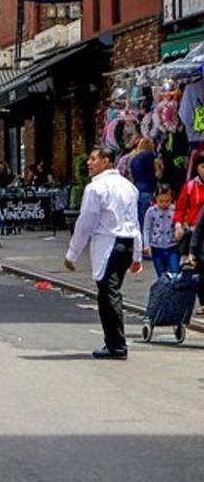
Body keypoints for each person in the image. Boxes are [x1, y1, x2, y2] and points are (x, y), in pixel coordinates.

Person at [65, 147, 142, 360]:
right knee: (112, 292)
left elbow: (86, 222)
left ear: (106, 161)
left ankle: (116, 345)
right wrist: (136, 253)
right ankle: (114, 342)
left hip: (109, 244)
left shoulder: (96, 188)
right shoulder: (129, 187)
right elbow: (134, 221)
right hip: (126, 243)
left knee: (108, 295)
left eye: (93, 159)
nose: (89, 163)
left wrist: (72, 253)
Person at [143, 185, 179, 277]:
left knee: (174, 272)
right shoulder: (151, 211)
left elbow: (178, 224)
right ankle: (163, 290)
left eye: (167, 201)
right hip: (156, 246)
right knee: (161, 274)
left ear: (171, 198)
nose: (164, 204)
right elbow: (146, 228)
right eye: (161, 201)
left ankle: (173, 290)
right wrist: (147, 245)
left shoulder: (175, 210)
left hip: (172, 246)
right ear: (156, 199)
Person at [173, 158, 204, 259]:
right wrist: (178, 226)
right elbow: (180, 209)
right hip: (192, 231)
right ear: (197, 168)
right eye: (203, 167)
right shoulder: (189, 186)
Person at [128, 137, 159, 232]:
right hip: (148, 188)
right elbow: (153, 173)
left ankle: (138, 239)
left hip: (137, 187)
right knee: (146, 217)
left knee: (139, 216)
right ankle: (145, 240)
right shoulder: (150, 156)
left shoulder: (133, 157)